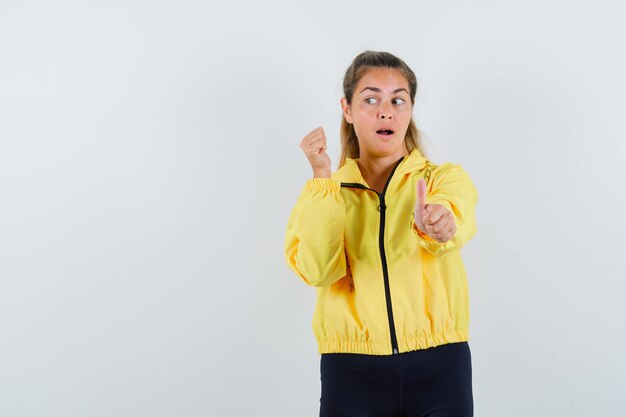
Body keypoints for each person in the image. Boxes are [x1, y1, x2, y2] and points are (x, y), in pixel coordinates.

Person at [284, 50, 478, 417]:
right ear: (347, 109)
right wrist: (323, 178)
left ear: (410, 108)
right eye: (371, 99)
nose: (385, 111)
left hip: (440, 365)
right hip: (351, 370)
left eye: (397, 100)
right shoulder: (324, 193)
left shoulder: (442, 179)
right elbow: (317, 271)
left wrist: (440, 224)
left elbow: (456, 218)